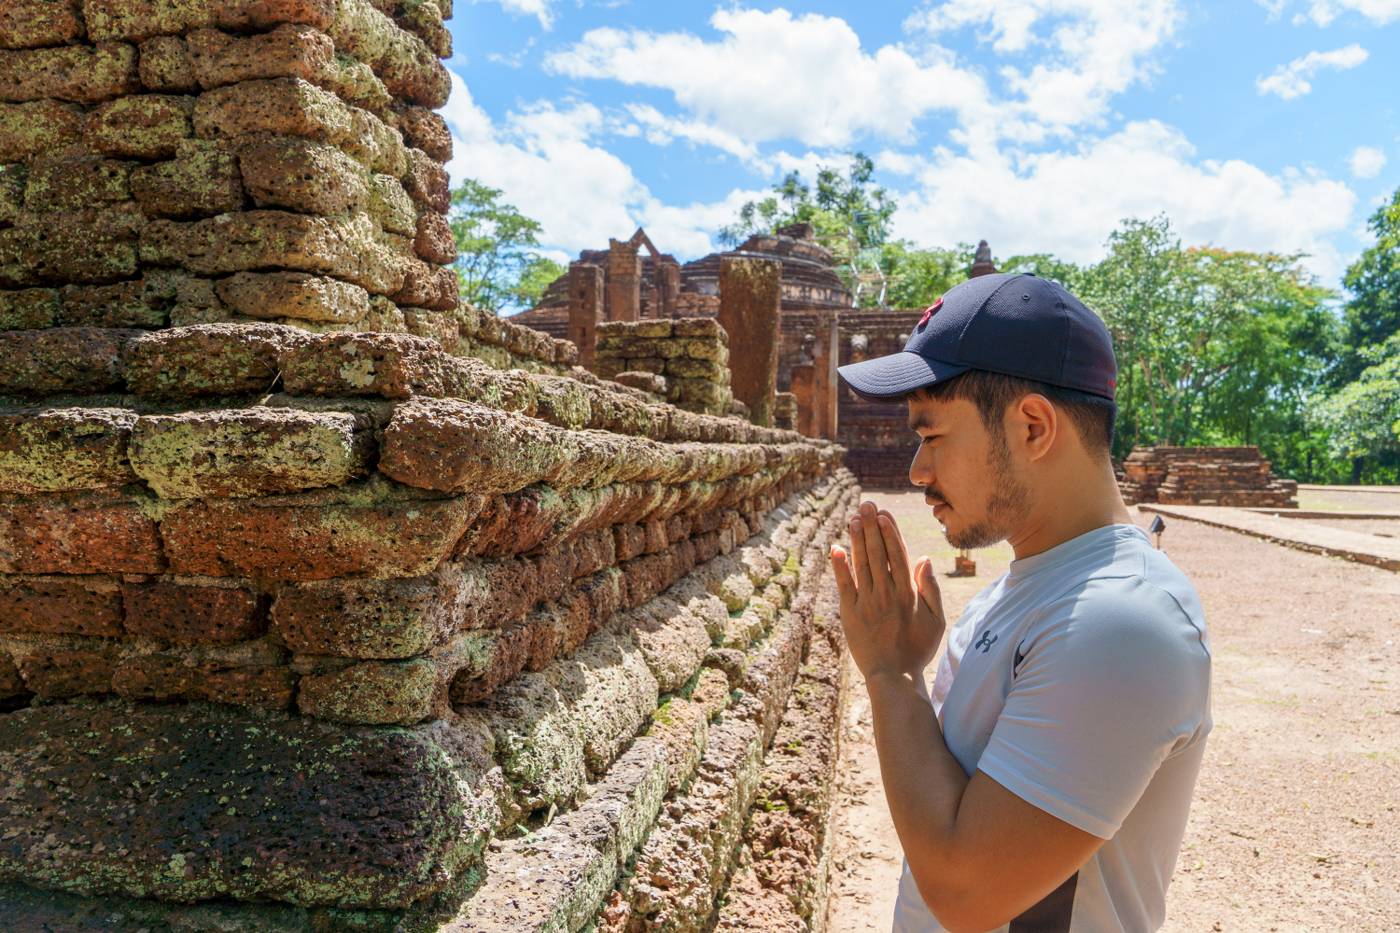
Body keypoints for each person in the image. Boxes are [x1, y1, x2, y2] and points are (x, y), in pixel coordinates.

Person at [830, 272, 1212, 933]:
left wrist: (891, 674)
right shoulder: (1022, 593)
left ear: (1033, 426)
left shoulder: (1121, 619)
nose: (917, 471)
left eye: (933, 434)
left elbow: (965, 892)